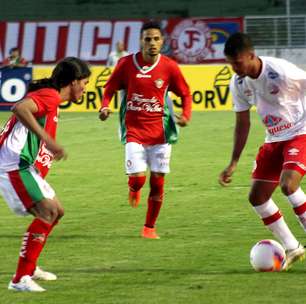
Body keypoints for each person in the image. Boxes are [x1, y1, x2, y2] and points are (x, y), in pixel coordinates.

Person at [0, 57, 91, 292]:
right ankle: (20, 279)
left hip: (22, 165)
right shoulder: (50, 96)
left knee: (56, 211)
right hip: (12, 164)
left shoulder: (52, 97)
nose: (85, 88)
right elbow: (20, 108)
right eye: (85, 82)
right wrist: (49, 141)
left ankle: (29, 269)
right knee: (48, 211)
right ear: (73, 82)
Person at [219, 32, 306, 270]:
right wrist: (234, 162)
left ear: (251, 56)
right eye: (230, 63)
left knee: (288, 184)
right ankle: (292, 247)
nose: (234, 68)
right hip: (274, 139)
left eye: (237, 62)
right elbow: (243, 122)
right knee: (257, 197)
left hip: (300, 133)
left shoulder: (281, 71)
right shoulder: (238, 83)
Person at [99, 21, 192, 239]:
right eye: (147, 39)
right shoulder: (125, 64)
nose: (152, 43)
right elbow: (110, 88)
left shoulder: (169, 67)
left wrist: (186, 116)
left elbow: (186, 94)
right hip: (134, 130)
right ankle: (134, 188)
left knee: (158, 181)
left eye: (156, 39)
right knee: (139, 179)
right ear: (140, 40)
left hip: (161, 133)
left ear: (162, 41)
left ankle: (149, 227)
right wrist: (104, 106)